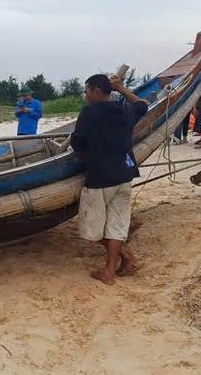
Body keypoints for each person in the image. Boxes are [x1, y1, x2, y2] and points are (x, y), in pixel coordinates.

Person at [70, 74, 148, 286]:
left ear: (95, 91)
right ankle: (110, 271)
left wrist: (85, 155)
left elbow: (77, 142)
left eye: (86, 92)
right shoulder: (123, 109)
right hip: (124, 175)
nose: (85, 96)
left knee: (90, 231)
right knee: (116, 226)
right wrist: (120, 88)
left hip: (100, 177)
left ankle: (124, 257)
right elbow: (142, 104)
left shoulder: (90, 112)